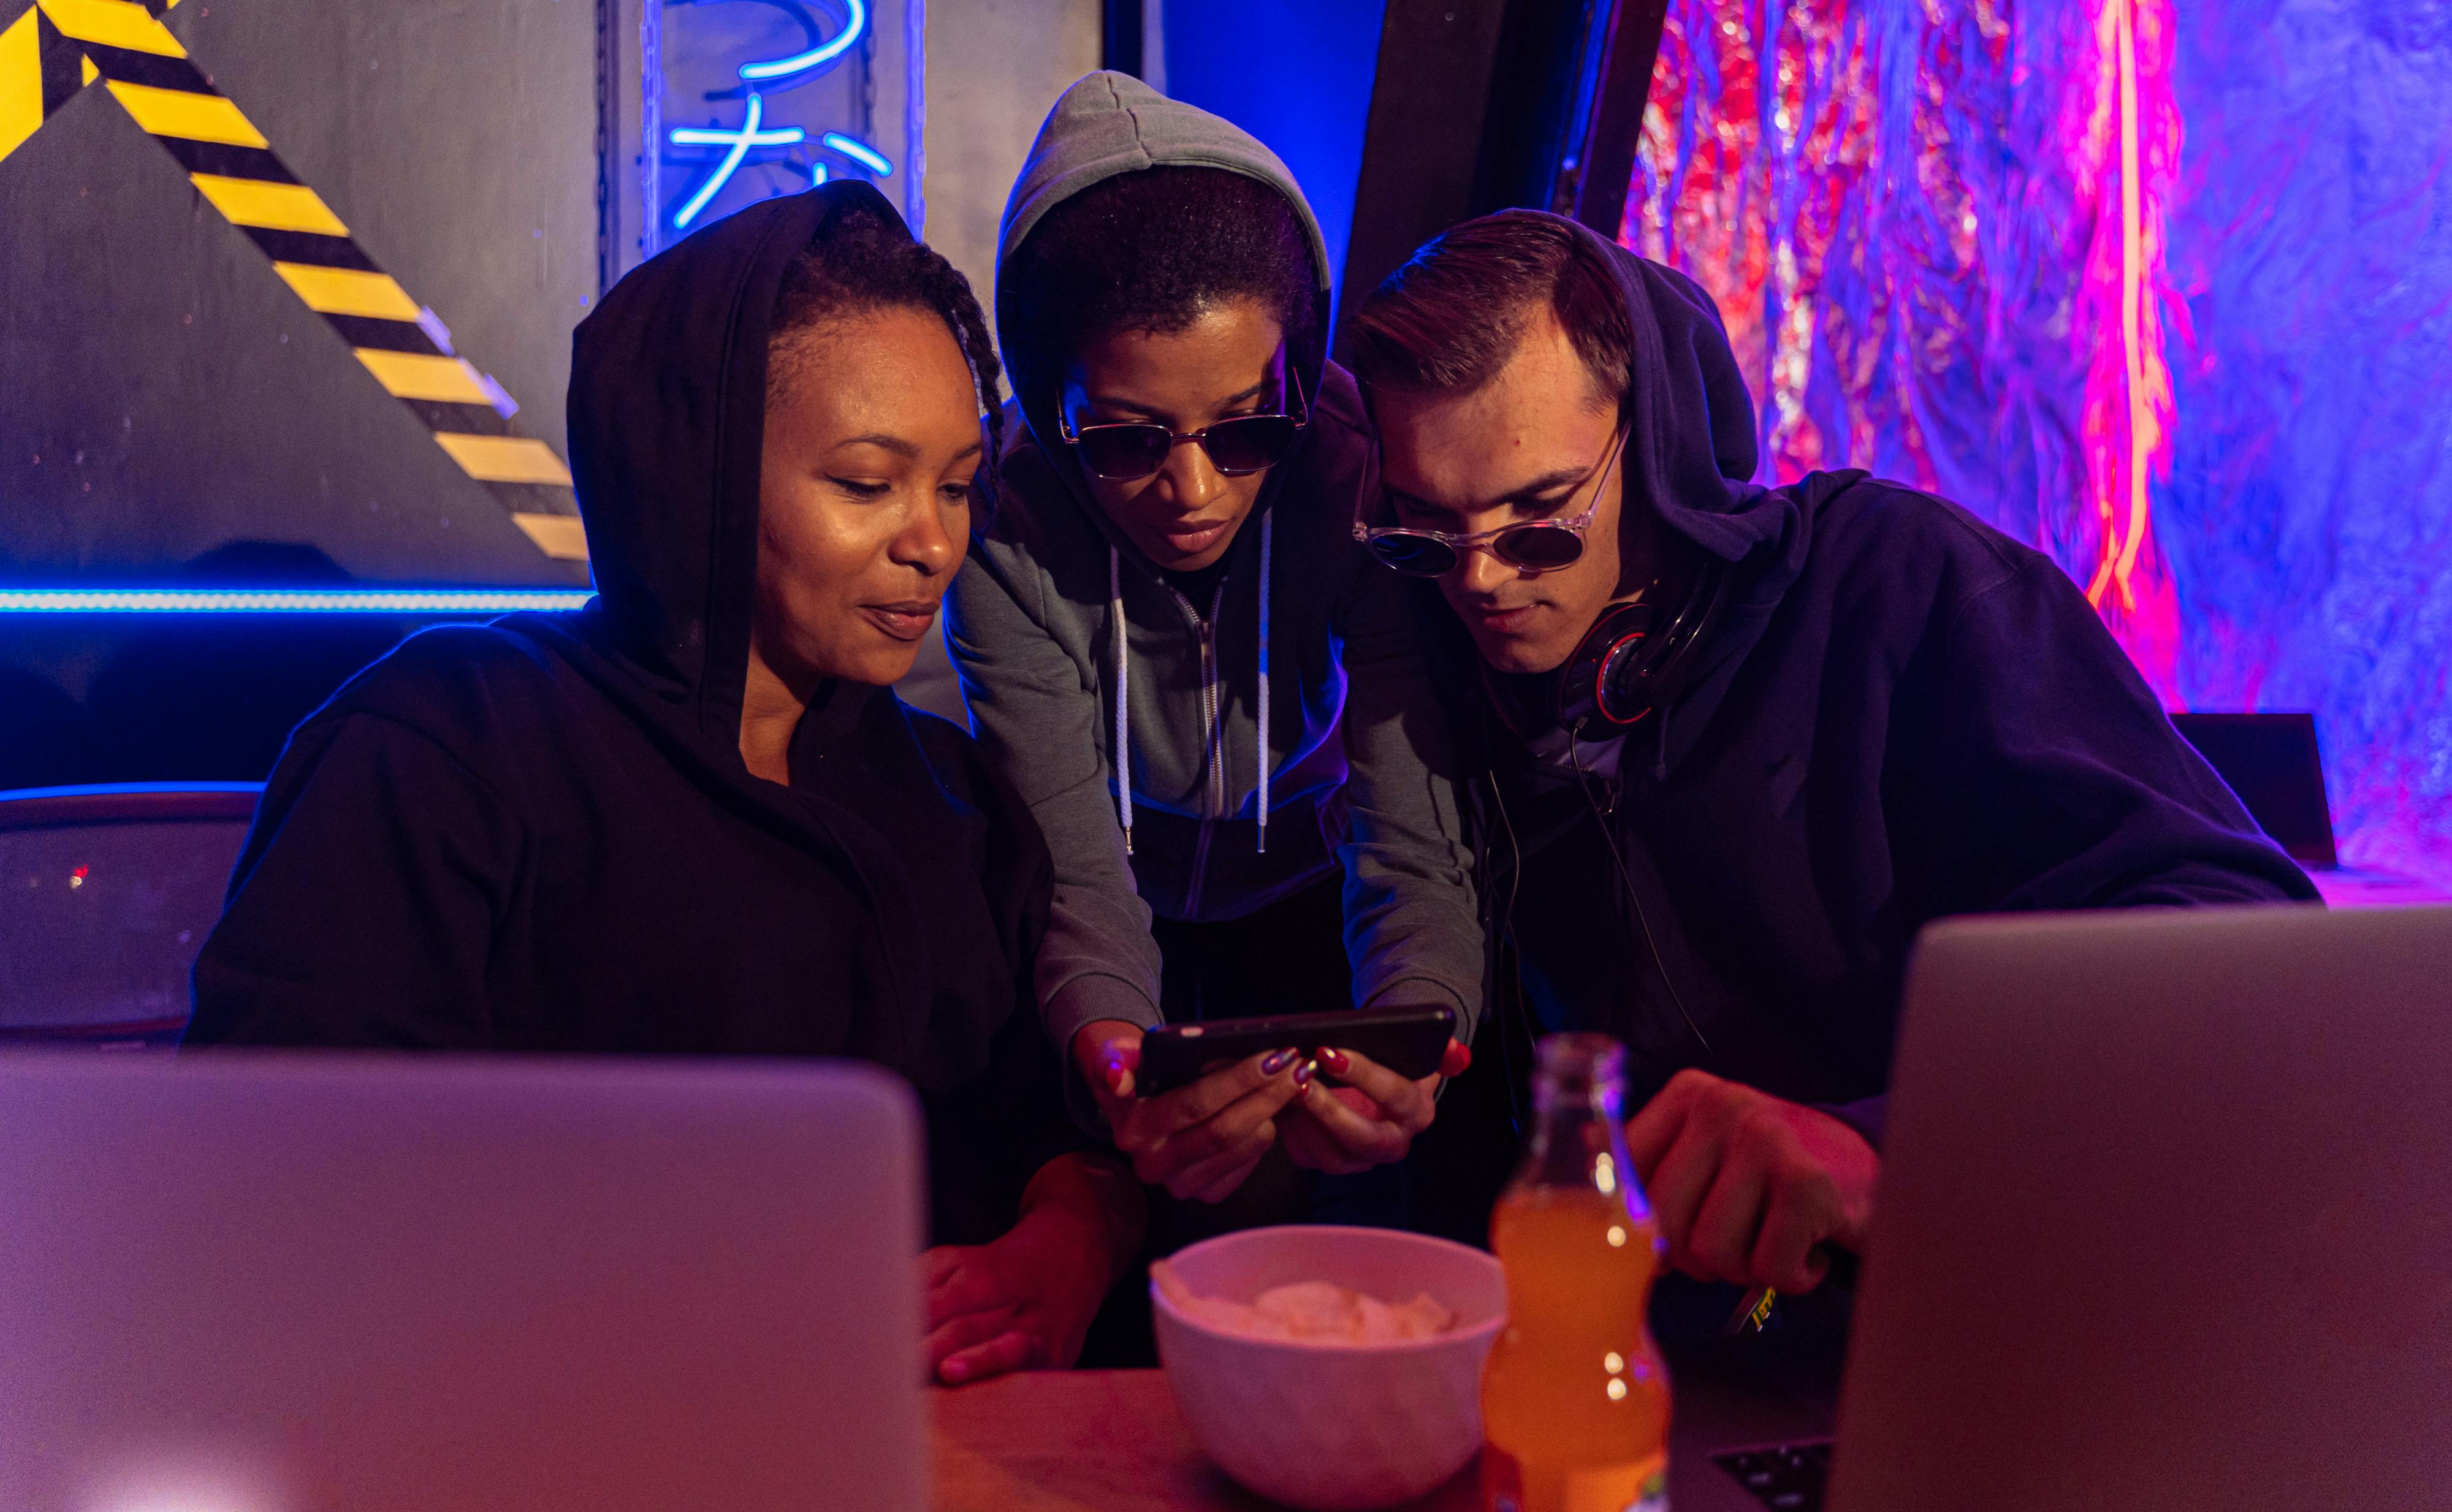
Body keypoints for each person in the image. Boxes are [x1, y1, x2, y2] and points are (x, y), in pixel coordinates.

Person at [185, 183, 1143, 1386]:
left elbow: (1058, 1131)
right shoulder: (451, 741)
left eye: (954, 486)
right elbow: (273, 1179)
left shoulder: (952, 798)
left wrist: (1073, 1243)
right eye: (866, 483)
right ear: (700, 477)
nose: (933, 542)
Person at [1346, 210, 2315, 1323]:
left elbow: (2232, 936)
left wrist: (1881, 1140)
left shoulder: (1903, 591)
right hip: (1652, 1353)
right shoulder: (1438, 661)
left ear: (1663, 442)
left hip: (1965, 1315)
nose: (1480, 584)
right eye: (1430, 532)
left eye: (1541, 522)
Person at [946, 74, 1485, 1223]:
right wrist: (1108, 1055)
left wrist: (1425, 1025)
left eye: (1247, 428)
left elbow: (1414, 844)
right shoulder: (1002, 524)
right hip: (1106, 917)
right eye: (1129, 439)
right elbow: (1075, 868)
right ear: (1051, 406)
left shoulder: (1359, 475)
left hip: (1316, 907)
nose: (1193, 492)